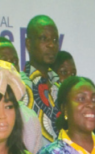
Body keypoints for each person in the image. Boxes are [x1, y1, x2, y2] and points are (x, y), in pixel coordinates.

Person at [24, 15, 63, 143]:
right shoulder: (18, 87)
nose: (51, 45)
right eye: (44, 39)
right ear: (28, 44)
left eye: (55, 39)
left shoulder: (62, 87)